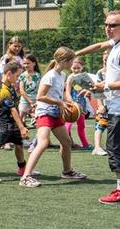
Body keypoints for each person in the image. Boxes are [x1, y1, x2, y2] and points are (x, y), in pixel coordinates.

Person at [81, 11, 120, 204]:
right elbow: (99, 45)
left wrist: (105, 86)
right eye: (106, 24)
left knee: (114, 146)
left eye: (113, 25)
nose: (108, 28)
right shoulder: (118, 43)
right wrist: (74, 54)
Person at [19, 47, 88, 187]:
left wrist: (71, 103)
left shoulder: (61, 75)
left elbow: (61, 94)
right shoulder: (50, 76)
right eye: (71, 61)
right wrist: (59, 102)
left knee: (67, 142)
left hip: (56, 113)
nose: (72, 65)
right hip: (44, 112)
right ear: (63, 60)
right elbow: (40, 97)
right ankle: (26, 177)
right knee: (43, 143)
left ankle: (67, 172)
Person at [0, 62, 29, 183]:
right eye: (17, 76)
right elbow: (12, 110)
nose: (18, 79)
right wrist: (22, 127)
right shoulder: (3, 90)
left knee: (19, 145)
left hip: (13, 124)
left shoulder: (10, 86)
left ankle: (22, 169)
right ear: (9, 74)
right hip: (5, 124)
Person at [64, 58, 94, 150]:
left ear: (82, 67)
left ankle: (85, 144)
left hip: (82, 105)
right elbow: (67, 91)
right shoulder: (70, 77)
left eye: (78, 68)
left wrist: (88, 91)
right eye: (74, 68)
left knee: (81, 126)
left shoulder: (85, 76)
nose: (76, 70)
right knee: (69, 122)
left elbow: (92, 86)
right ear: (71, 67)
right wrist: (71, 102)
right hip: (73, 104)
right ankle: (64, 142)